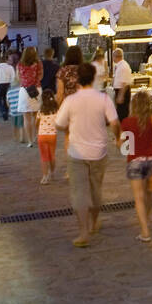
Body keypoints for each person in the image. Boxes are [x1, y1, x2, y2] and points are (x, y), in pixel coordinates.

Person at [54, 63, 119, 248]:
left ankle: (83, 232)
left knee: (79, 193)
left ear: (77, 79)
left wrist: (70, 124)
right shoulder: (103, 98)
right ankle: (93, 222)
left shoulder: (71, 101)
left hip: (76, 152)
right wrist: (119, 137)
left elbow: (58, 123)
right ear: (93, 77)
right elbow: (114, 122)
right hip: (99, 151)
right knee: (96, 190)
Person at [119, 90, 152, 241]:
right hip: (151, 159)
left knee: (138, 197)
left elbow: (124, 147)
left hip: (135, 160)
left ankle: (145, 230)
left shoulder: (127, 122)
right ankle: (147, 219)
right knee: (148, 193)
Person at [16, 47, 43, 147]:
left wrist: (26, 81)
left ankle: (30, 141)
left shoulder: (20, 64)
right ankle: (37, 136)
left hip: (24, 91)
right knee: (36, 116)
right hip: (36, 90)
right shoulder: (38, 63)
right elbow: (41, 76)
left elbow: (18, 78)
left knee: (26, 117)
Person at [37, 93, 60, 185]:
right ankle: (52, 172)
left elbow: (36, 122)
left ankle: (44, 177)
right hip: (52, 135)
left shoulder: (40, 111)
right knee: (52, 155)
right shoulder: (56, 110)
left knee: (44, 157)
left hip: (42, 135)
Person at [111, 49, 133, 121]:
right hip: (119, 91)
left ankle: (124, 128)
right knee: (120, 113)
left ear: (116, 56)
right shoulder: (119, 66)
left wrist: (121, 95)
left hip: (122, 91)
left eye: (113, 57)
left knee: (122, 113)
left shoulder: (123, 66)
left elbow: (124, 83)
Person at [0, 53, 15, 122]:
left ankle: (3, 111)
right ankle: (6, 111)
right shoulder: (10, 67)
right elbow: (13, 77)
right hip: (7, 84)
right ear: (6, 60)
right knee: (6, 99)